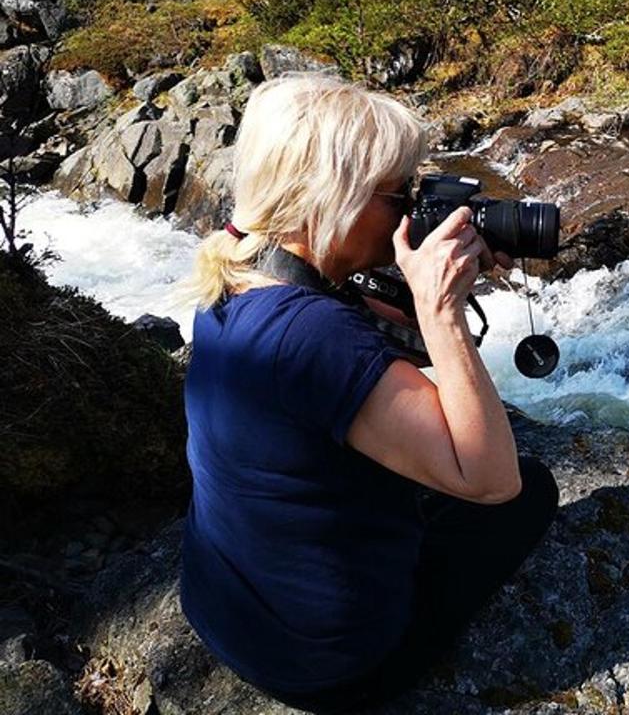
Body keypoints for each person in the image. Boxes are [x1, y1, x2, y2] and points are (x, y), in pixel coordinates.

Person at [177, 72, 559, 713]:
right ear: (329, 197)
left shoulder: (237, 268)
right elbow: (489, 479)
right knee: (530, 490)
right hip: (328, 664)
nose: (408, 210)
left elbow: (357, 356)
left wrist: (428, 288)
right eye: (395, 194)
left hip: (225, 608)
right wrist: (439, 308)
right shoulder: (313, 335)